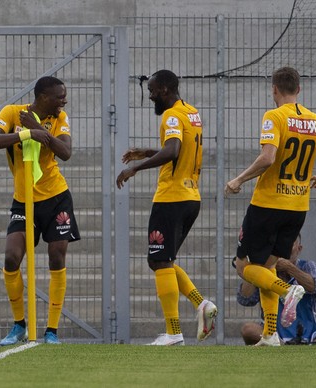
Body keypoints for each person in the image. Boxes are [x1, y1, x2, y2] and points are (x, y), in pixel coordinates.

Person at [225, 66, 316, 346]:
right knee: (267, 266)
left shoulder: (274, 116)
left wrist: (239, 179)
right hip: (297, 208)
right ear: (299, 90)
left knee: (243, 266)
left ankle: (286, 291)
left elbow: (268, 158)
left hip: (268, 204)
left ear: (274, 90)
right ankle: (270, 334)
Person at [116, 69, 217, 346]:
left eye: (151, 91)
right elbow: (179, 150)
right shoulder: (191, 113)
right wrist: (149, 152)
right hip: (191, 197)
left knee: (159, 261)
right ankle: (201, 304)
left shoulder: (172, 115)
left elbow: (172, 151)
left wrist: (135, 168)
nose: (149, 96)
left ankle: (173, 332)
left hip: (171, 197)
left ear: (164, 90)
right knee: (161, 260)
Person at [0, 76, 81, 345]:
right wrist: (27, 133)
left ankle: (51, 331)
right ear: (42, 97)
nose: (64, 100)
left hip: (56, 198)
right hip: (23, 200)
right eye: (59, 96)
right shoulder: (12, 113)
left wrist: (41, 130)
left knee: (56, 258)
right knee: (11, 259)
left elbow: (65, 152)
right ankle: (19, 325)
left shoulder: (60, 118)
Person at [235, 234, 316, 345]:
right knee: (248, 329)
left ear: (299, 249)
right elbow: (245, 300)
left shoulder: (308, 266)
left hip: (312, 335)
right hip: (274, 335)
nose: (283, 250)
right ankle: (280, 344)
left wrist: (289, 268)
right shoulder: (263, 272)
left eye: (288, 245)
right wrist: (252, 270)